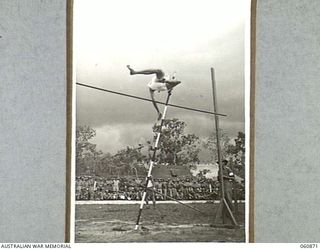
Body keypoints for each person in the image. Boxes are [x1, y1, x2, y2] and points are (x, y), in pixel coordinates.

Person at [217, 159, 235, 224]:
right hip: (222, 186)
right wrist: (219, 177)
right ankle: (224, 217)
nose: (219, 164)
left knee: (228, 200)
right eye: (219, 163)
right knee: (223, 201)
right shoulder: (219, 170)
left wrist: (224, 177)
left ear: (224, 163)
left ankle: (231, 213)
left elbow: (233, 177)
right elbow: (218, 178)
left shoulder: (228, 169)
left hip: (227, 186)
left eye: (221, 162)